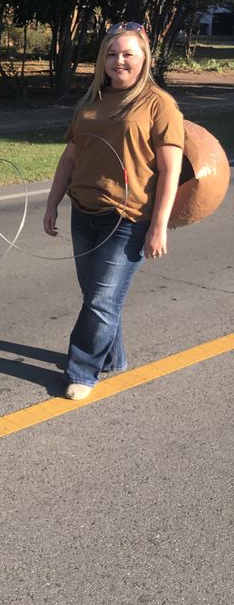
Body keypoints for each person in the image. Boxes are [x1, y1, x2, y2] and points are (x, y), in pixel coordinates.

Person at [43, 21, 184, 401]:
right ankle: (113, 357)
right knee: (97, 296)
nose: (118, 60)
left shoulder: (159, 104)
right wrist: (52, 201)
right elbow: (70, 157)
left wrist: (160, 225)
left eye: (127, 54)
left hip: (127, 219)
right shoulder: (91, 102)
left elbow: (171, 169)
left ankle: (82, 370)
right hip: (83, 213)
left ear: (143, 58)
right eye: (111, 53)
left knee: (102, 301)